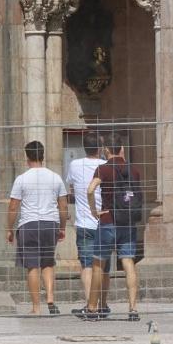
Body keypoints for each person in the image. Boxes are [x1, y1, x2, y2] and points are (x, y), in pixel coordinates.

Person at [81, 132, 144, 321]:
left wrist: (93, 210)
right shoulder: (133, 170)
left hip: (108, 220)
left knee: (98, 263)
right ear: (121, 149)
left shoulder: (103, 170)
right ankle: (133, 309)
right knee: (128, 262)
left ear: (106, 150)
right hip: (128, 222)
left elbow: (90, 189)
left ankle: (92, 309)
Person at [5, 140, 68, 316]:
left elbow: (13, 207)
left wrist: (9, 229)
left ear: (27, 157)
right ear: (43, 155)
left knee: (32, 266)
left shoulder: (22, 179)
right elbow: (63, 206)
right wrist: (62, 227)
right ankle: (50, 297)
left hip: (29, 224)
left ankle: (36, 307)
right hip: (50, 223)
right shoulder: (55, 177)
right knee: (48, 263)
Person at [66, 130, 108, 314]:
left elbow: (71, 187)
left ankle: (89, 305)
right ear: (99, 148)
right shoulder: (106, 164)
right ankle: (102, 304)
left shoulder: (75, 164)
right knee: (103, 265)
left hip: (84, 221)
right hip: (104, 220)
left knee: (87, 265)